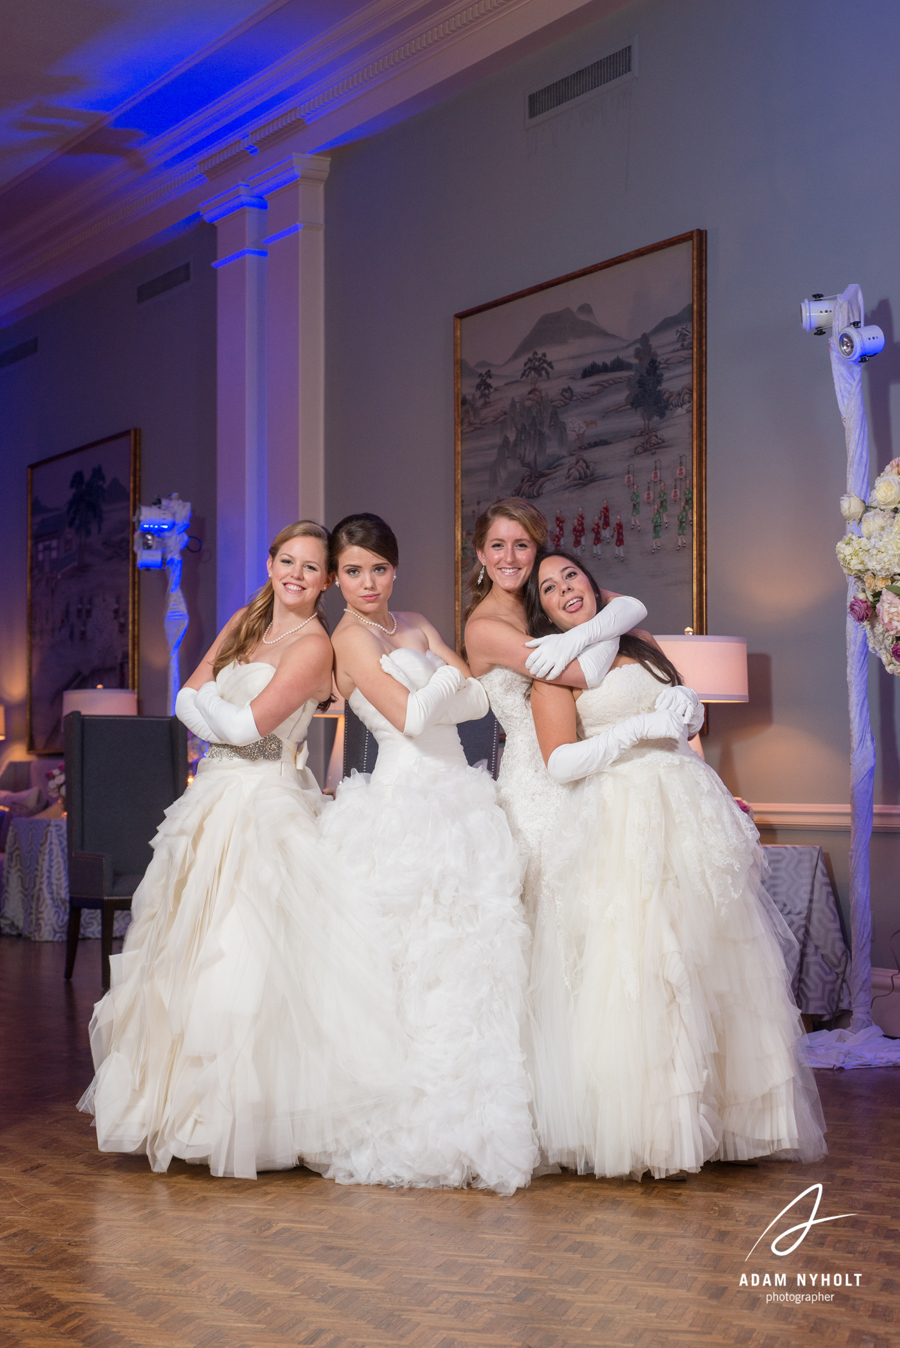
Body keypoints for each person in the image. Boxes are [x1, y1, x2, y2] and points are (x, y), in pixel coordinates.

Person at [78, 522, 403, 1180]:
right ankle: (182, 1111)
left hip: (265, 804)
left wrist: (209, 712)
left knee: (246, 956)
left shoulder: (314, 646)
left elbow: (242, 723)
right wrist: (206, 711)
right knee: (185, 952)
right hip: (211, 804)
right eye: (289, 561)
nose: (298, 575)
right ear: (271, 562)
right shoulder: (245, 621)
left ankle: (249, 1118)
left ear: (327, 581)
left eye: (313, 568)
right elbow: (183, 698)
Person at [525, 550, 827, 1179]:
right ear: (544, 610)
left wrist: (689, 711)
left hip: (686, 802)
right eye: (549, 590)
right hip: (622, 814)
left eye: (570, 577)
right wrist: (637, 732)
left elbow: (680, 718)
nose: (564, 591)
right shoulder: (555, 670)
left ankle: (732, 1122)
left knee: (710, 957)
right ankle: (655, 1130)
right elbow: (559, 763)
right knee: (646, 962)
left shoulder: (633, 637)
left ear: (589, 580)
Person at [314, 512, 537, 1195]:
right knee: (411, 967)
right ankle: (413, 1123)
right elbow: (418, 716)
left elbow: (477, 702)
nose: (367, 582)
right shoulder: (347, 638)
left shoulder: (410, 620)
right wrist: (440, 685)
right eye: (353, 571)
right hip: (403, 807)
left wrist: (438, 686)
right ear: (334, 579)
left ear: (395, 569)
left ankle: (475, 1120)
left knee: (472, 966)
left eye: (378, 568)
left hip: (462, 803)